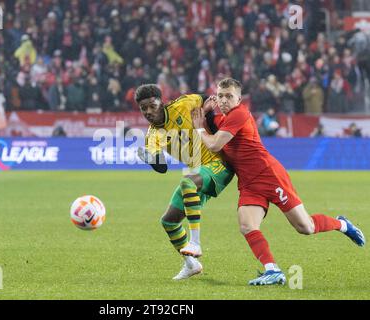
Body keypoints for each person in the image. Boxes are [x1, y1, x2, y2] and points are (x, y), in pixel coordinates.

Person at [191, 78, 365, 286]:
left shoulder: (239, 114)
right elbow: (213, 124)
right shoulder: (224, 119)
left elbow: (215, 144)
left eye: (229, 96)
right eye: (220, 96)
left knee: (305, 227)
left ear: (239, 98)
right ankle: (272, 270)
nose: (224, 100)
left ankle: (342, 224)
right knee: (247, 225)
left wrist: (199, 128)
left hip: (269, 175)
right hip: (249, 183)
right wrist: (207, 112)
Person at [135, 84, 234, 280]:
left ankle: (195, 242)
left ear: (160, 102)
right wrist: (150, 159)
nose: (148, 111)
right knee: (169, 221)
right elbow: (162, 168)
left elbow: (208, 98)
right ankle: (191, 264)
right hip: (199, 173)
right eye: (143, 108)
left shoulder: (183, 104)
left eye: (151, 106)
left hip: (218, 163)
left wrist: (206, 114)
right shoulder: (152, 135)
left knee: (187, 182)